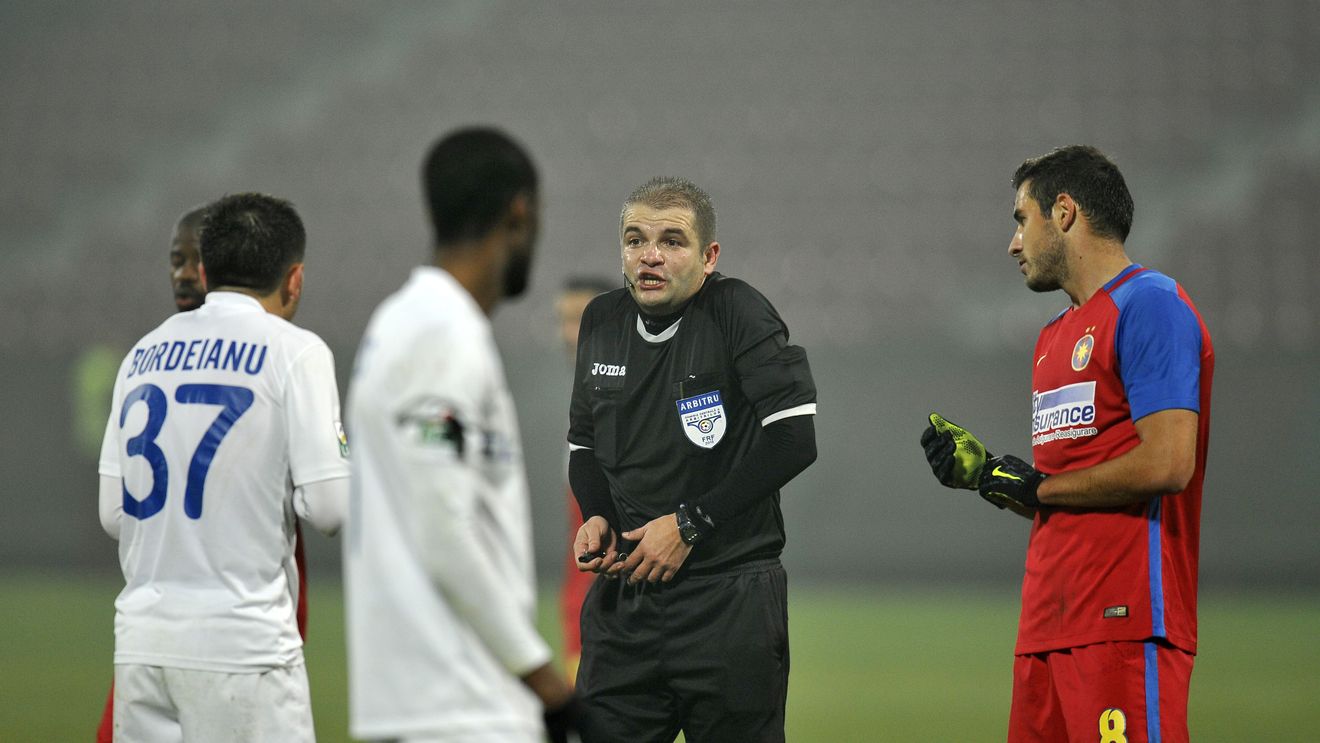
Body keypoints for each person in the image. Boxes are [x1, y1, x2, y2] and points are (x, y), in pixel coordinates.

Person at [920, 145, 1214, 743]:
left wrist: (1040, 487)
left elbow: (1168, 463)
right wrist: (989, 477)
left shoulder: (1150, 305)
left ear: (1064, 211)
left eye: (1020, 220)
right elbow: (1060, 493)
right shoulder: (1053, 337)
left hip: (1124, 623)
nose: (1013, 244)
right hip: (1045, 629)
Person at [343, 127, 581, 743]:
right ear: (520, 214)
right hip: (458, 704)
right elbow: (442, 528)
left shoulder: (403, 322)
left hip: (429, 699)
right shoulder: (440, 333)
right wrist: (548, 685)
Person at [568, 176, 818, 742]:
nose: (650, 255)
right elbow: (583, 444)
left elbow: (794, 438)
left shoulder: (738, 312)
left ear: (709, 257)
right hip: (625, 604)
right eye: (635, 240)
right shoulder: (601, 319)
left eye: (672, 241)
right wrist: (597, 513)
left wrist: (689, 524)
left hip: (727, 602)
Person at [97, 193, 350, 742]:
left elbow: (114, 515)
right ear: (294, 279)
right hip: (244, 646)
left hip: (142, 645)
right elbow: (330, 509)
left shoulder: (141, 354)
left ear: (207, 271)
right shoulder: (297, 351)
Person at [555, 276, 617, 685]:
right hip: (582, 620)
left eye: (581, 318)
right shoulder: (586, 402)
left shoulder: (626, 409)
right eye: (562, 319)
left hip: (611, 628)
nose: (567, 333)